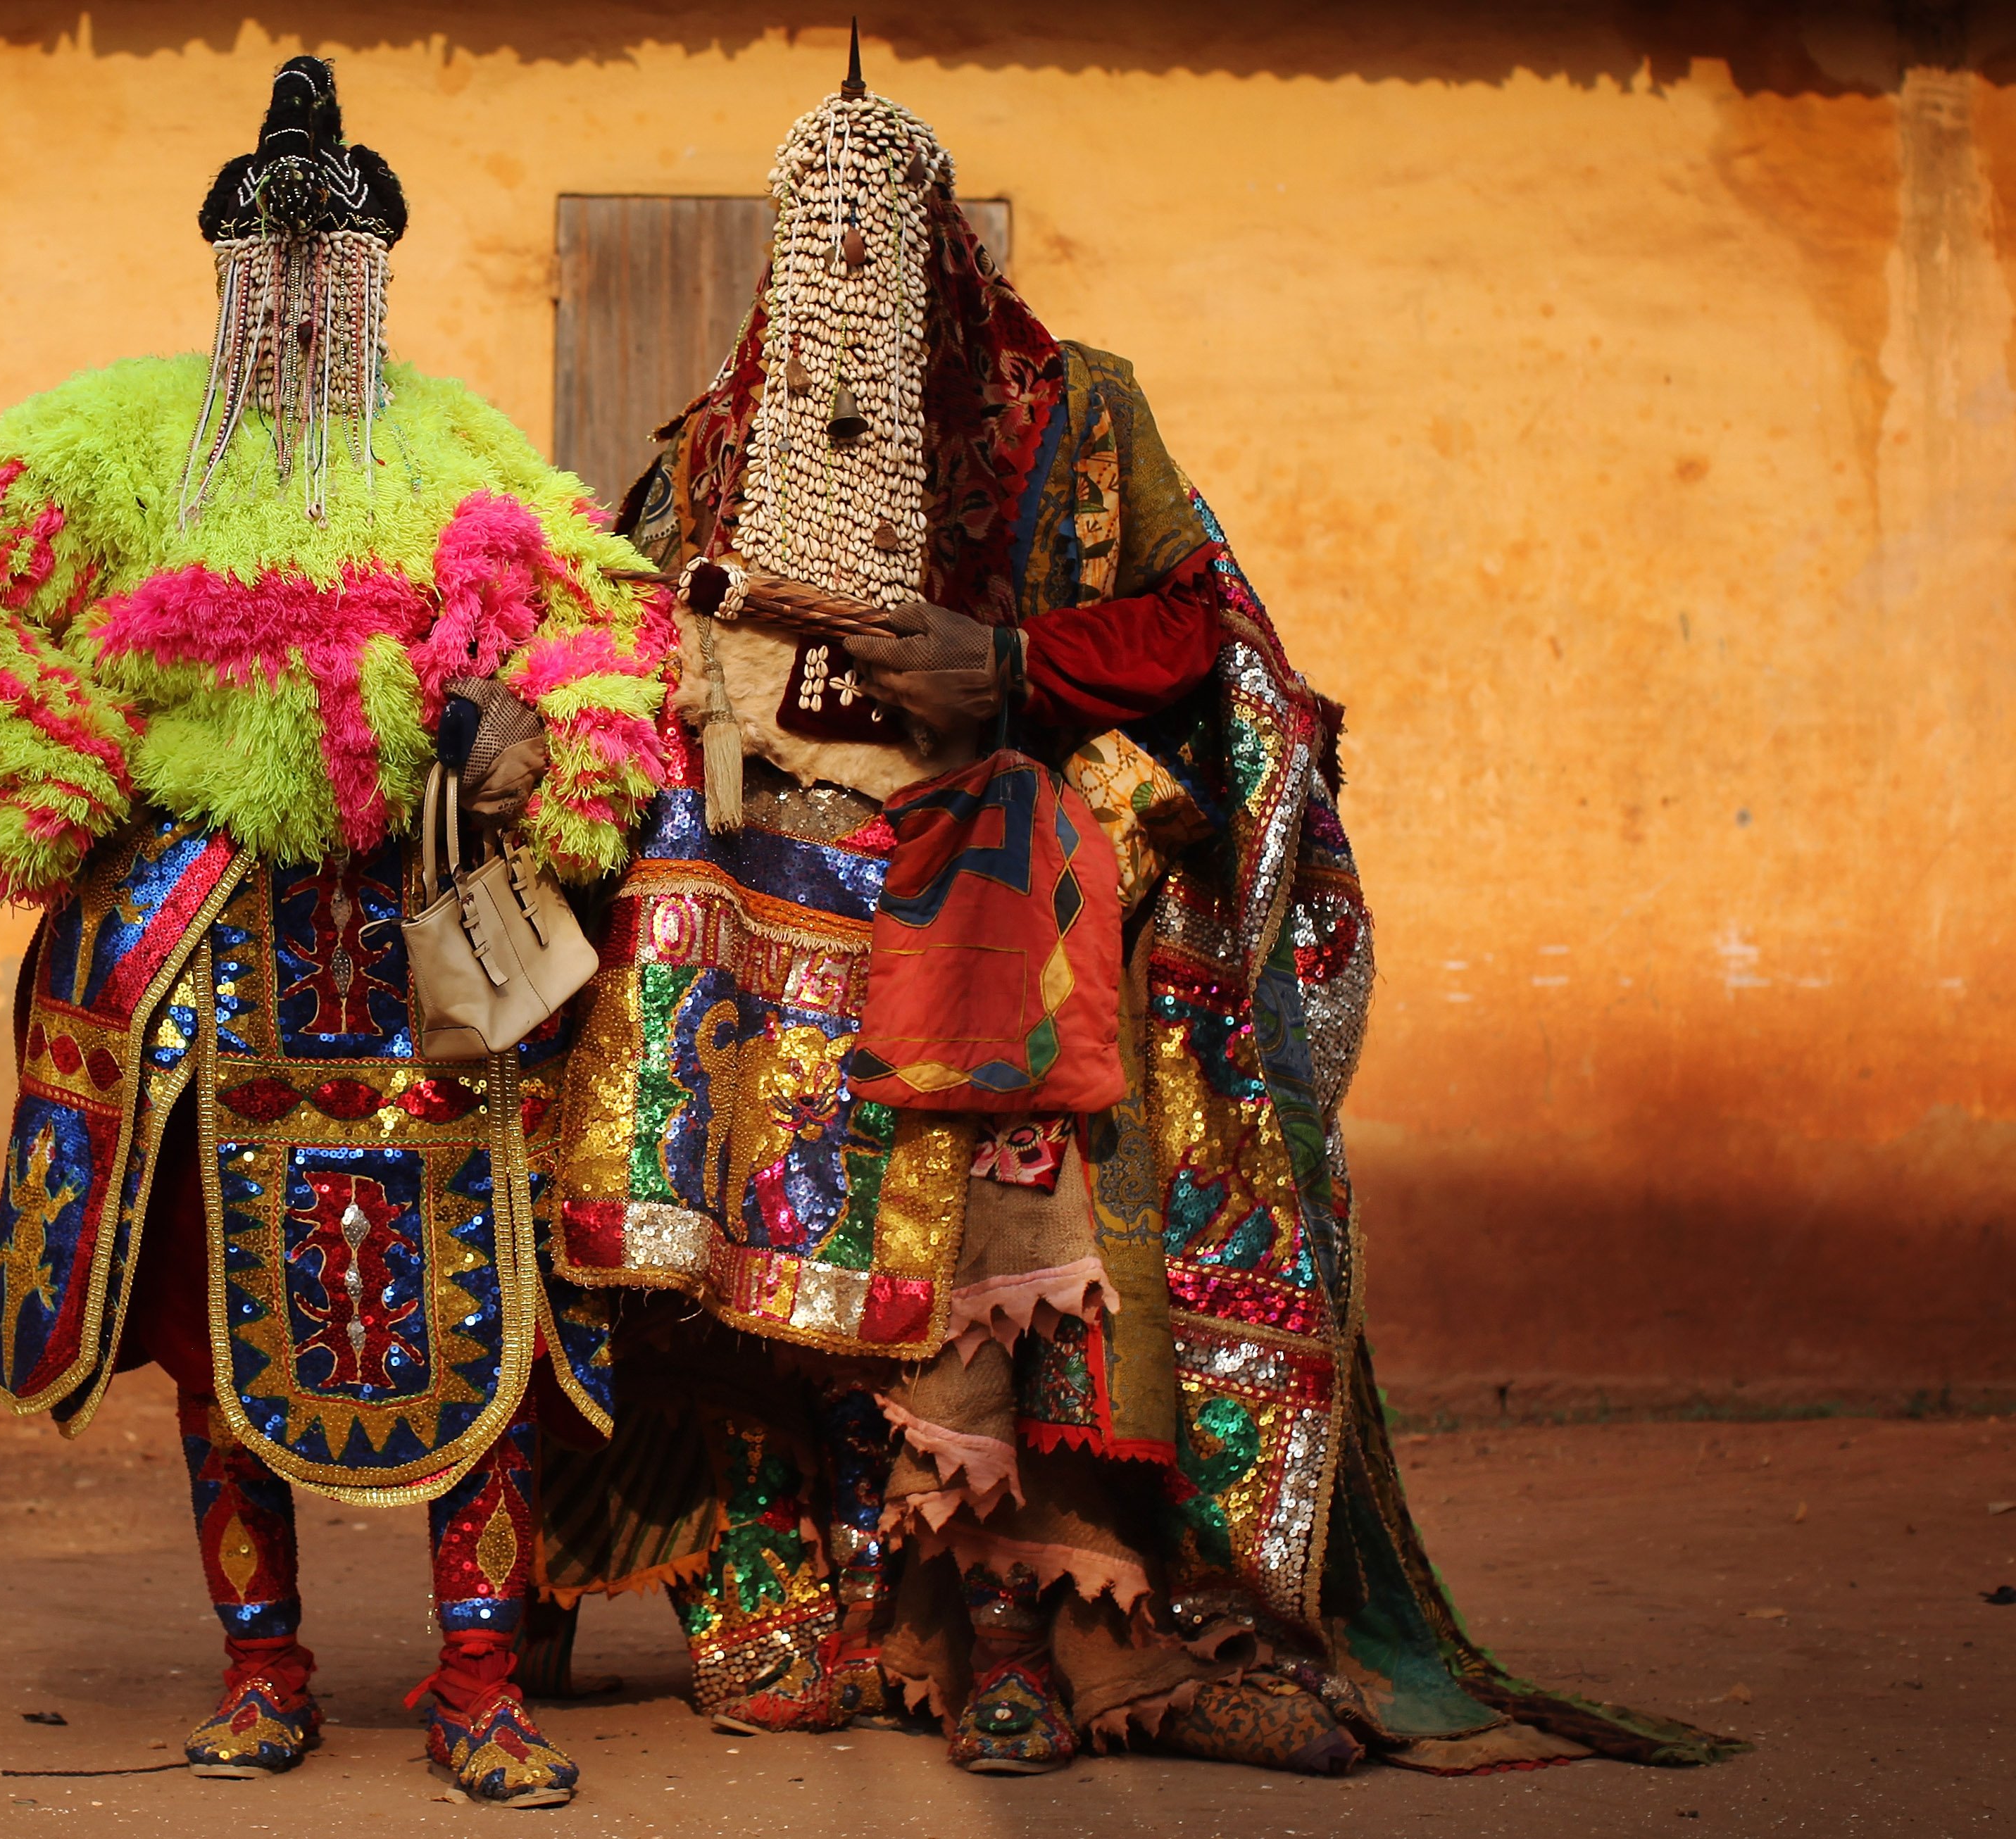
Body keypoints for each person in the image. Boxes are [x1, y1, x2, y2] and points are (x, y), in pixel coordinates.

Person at [541, 40, 1736, 1779]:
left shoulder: (1080, 413)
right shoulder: (722, 441)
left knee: (1022, 1167)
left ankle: (1036, 1617)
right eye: (821, 238)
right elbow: (626, 642)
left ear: (946, 247)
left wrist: (1012, 667)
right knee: (658, 1061)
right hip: (774, 884)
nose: (854, 269)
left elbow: (1203, 630)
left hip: (1008, 875)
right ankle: (783, 1576)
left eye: (886, 236)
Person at [0, 58, 671, 1807]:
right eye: (267, 263)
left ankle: (479, 1683)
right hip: (208, 959)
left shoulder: (457, 445)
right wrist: (78, 782)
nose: (294, 293)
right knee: (219, 1326)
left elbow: (614, 611)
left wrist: (540, 745)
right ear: (226, 267)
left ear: (375, 277)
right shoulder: (128, 432)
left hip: (427, 951)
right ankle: (263, 1666)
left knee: (487, 1310)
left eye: (329, 266)